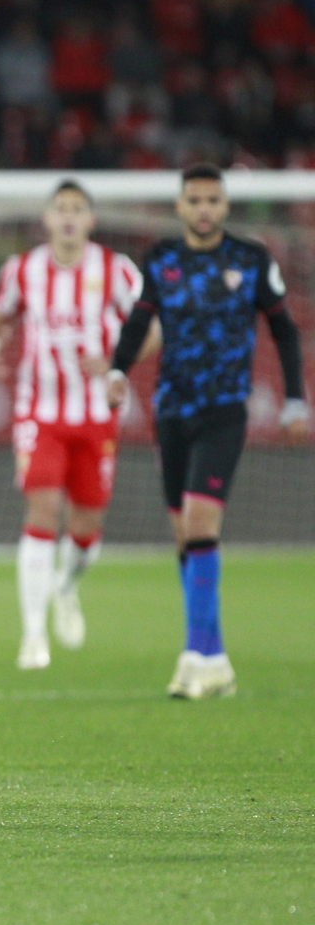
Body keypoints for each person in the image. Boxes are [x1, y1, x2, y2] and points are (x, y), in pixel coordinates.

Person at [106, 163, 308, 699]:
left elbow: (284, 331)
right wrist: (116, 371)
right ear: (180, 205)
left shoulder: (251, 259)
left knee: (200, 522)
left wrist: (294, 400)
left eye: (212, 200)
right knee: (184, 536)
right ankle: (215, 657)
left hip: (224, 410)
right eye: (193, 199)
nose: (203, 209)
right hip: (171, 410)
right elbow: (138, 321)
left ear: (224, 206)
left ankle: (193, 655)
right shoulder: (162, 259)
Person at [0, 180, 151, 670]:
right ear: (47, 219)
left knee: (87, 525)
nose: (69, 217)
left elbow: (155, 327)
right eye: (61, 209)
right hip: (40, 411)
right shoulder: (22, 270)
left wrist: (119, 361)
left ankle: (66, 587)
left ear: (91, 220)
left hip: (97, 414)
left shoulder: (116, 271)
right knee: (42, 509)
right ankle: (33, 636)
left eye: (78, 209)